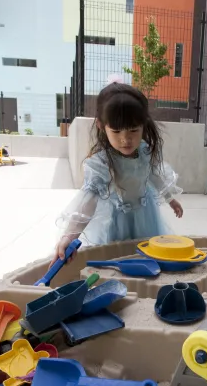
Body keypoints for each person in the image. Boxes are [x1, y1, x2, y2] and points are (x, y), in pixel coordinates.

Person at [52, 79, 183, 263]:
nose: (125, 139)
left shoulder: (145, 151)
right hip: (116, 223)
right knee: (119, 262)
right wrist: (70, 235)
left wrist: (170, 198)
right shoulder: (102, 162)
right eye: (116, 131)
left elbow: (153, 175)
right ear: (101, 126)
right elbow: (88, 201)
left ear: (143, 125)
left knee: (146, 260)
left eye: (133, 130)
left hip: (145, 218)